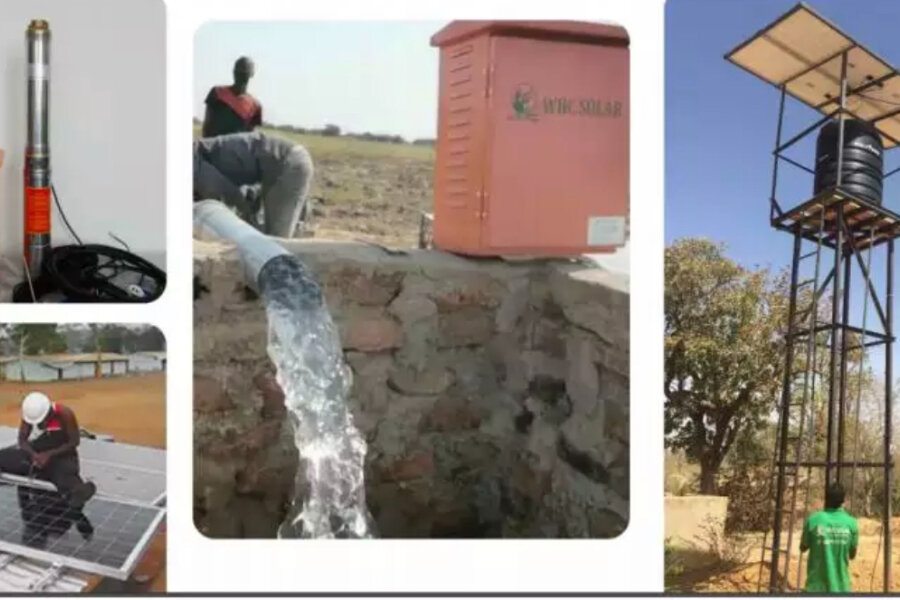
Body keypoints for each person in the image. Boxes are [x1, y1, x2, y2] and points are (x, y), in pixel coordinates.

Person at [193, 131, 314, 238]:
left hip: (287, 163)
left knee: (277, 241)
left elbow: (222, 193)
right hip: (284, 161)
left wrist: (245, 212)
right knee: (271, 235)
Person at [0, 392, 96, 509]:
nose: (40, 424)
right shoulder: (30, 415)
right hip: (37, 451)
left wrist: (48, 455)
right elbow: (22, 440)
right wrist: (34, 455)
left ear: (49, 411)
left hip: (61, 453)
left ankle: (80, 491)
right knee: (5, 458)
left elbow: (74, 442)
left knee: (64, 476)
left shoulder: (65, 414)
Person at [800, 482, 859, 592]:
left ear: (826, 499)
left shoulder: (813, 520)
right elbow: (852, 555)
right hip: (842, 588)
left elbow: (803, 547)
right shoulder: (851, 523)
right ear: (843, 501)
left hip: (815, 588)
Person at [202, 56, 263, 138]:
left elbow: (251, 137)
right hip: (215, 148)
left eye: (244, 73)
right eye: (238, 72)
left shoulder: (255, 106)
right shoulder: (218, 93)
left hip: (237, 150)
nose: (240, 76)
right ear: (233, 72)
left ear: (251, 74)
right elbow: (207, 126)